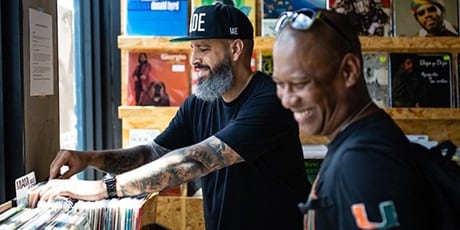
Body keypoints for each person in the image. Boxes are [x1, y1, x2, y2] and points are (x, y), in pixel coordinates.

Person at [36, 3, 310, 230]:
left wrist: (100, 189)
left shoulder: (271, 100)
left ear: (236, 49)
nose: (193, 60)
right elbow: (152, 154)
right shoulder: (199, 103)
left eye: (203, 48)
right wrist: (88, 158)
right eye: (193, 49)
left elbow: (195, 161)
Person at [272, 8, 433, 229]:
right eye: (280, 84)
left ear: (349, 70)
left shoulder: (364, 162)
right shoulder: (359, 145)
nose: (287, 100)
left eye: (300, 84)